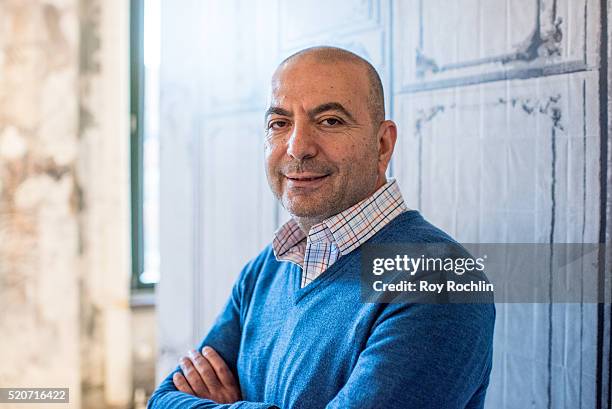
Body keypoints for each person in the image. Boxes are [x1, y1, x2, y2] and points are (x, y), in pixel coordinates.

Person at [147, 46, 495, 409]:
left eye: (329, 121)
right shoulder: (266, 270)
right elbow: (162, 402)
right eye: (280, 123)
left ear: (382, 144)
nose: (297, 148)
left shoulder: (439, 280)